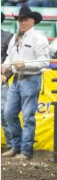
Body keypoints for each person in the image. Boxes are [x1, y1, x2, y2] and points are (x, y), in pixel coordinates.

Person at [1, 5, 50, 160]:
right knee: (8, 113)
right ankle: (17, 146)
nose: (22, 22)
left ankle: (25, 150)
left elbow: (45, 61)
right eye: (20, 19)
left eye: (25, 19)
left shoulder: (39, 38)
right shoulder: (16, 37)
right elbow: (10, 56)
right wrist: (5, 65)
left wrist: (26, 65)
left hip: (31, 79)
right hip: (16, 79)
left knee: (28, 115)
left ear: (32, 21)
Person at [1, 12, 14, 150]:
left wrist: (6, 75)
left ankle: (13, 144)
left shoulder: (7, 37)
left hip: (1, 80)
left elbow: (12, 58)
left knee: (5, 113)